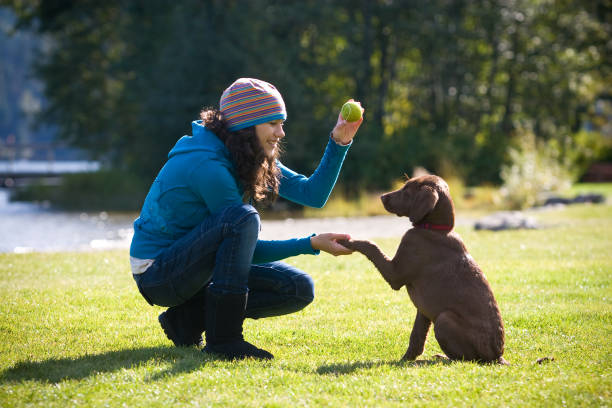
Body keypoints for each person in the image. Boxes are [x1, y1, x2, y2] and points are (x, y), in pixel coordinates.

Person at [129, 78, 363, 360]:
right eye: (273, 123)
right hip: (158, 273)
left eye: (281, 122)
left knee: (297, 288)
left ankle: (187, 320)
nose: (281, 132)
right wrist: (310, 243)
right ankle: (224, 340)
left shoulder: (247, 153)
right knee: (242, 218)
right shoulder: (209, 165)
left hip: (197, 268)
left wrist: (340, 140)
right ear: (246, 125)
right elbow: (246, 247)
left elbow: (311, 194)